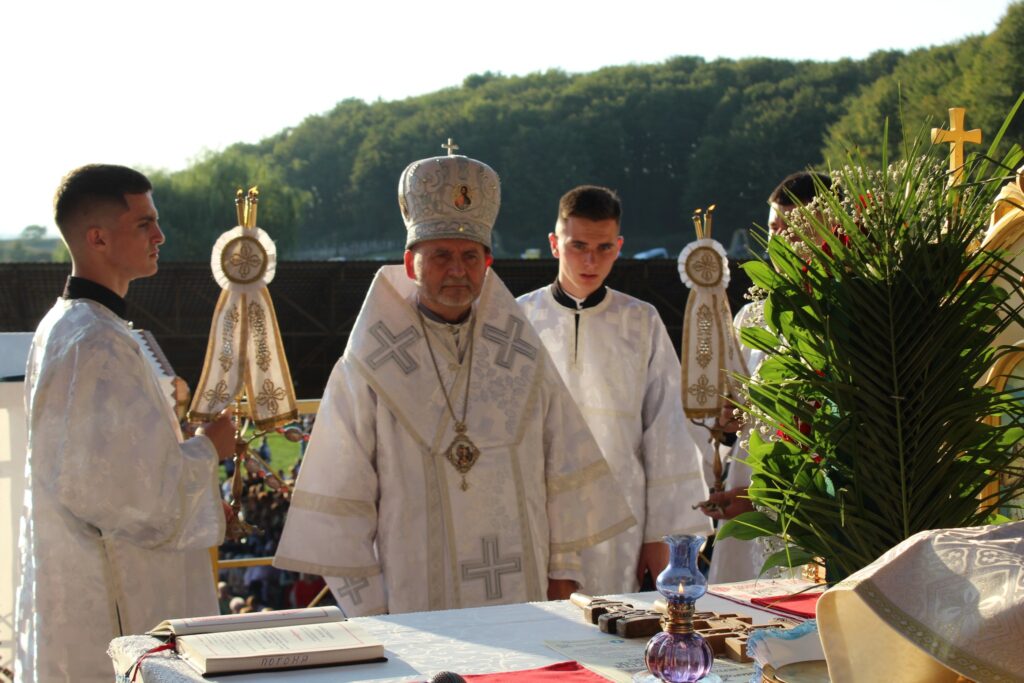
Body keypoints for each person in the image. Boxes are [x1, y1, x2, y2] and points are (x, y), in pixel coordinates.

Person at [274, 146, 635, 616]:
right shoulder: (369, 365)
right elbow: (345, 496)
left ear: (488, 264)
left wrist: (562, 574)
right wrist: (373, 613)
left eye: (470, 256)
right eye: (441, 254)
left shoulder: (521, 355)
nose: (458, 270)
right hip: (416, 597)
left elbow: (563, 472)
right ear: (410, 263)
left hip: (521, 589)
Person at [15, 164, 236, 683]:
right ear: (97, 237)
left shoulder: (75, 325)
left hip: (85, 577)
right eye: (144, 224)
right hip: (109, 592)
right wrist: (208, 451)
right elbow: (124, 493)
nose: (160, 236)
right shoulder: (95, 340)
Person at [517, 185, 713, 594]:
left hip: (620, 518)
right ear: (554, 244)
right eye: (578, 246)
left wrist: (662, 538)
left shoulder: (641, 321)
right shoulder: (518, 320)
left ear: (619, 246)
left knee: (612, 638)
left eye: (604, 248)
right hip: (536, 511)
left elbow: (668, 435)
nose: (591, 261)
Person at [702, 170, 833, 583]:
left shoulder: (847, 317)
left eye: (795, 230)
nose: (782, 241)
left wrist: (764, 501)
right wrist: (724, 423)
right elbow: (733, 413)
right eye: (776, 227)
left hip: (813, 512)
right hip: (744, 485)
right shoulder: (753, 315)